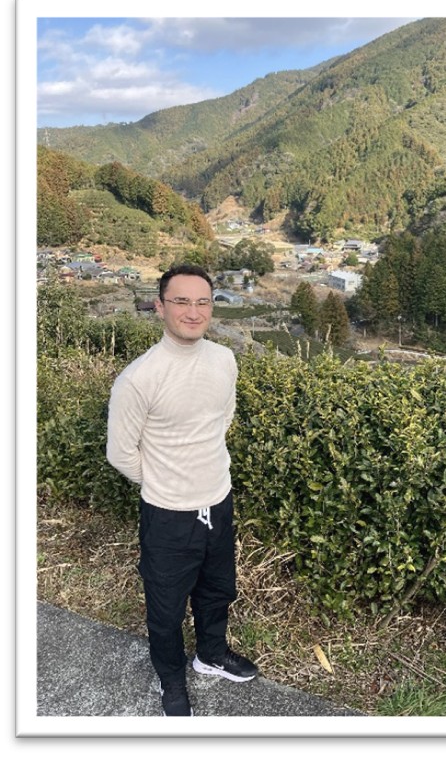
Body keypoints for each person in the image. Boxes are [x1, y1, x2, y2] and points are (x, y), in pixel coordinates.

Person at [106, 263, 258, 717]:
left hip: (218, 500)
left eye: (203, 302)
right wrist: (165, 482)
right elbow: (121, 453)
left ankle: (211, 654)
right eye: (181, 301)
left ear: (212, 307)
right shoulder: (138, 378)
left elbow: (221, 419)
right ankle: (170, 678)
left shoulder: (224, 359)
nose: (193, 312)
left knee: (218, 589)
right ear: (160, 307)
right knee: (166, 608)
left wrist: (201, 476)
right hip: (168, 513)